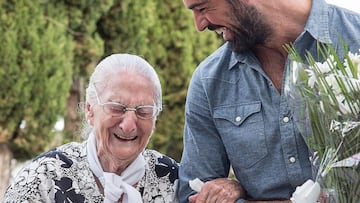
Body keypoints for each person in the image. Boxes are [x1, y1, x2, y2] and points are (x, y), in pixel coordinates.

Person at [178, 0, 360, 202]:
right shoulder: (209, 80)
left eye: (203, 8)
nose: (199, 26)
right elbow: (193, 196)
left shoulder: (355, 38)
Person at [3, 53, 179, 203]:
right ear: (89, 110)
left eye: (144, 111)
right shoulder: (44, 178)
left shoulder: (172, 180)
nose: (128, 125)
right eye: (116, 107)